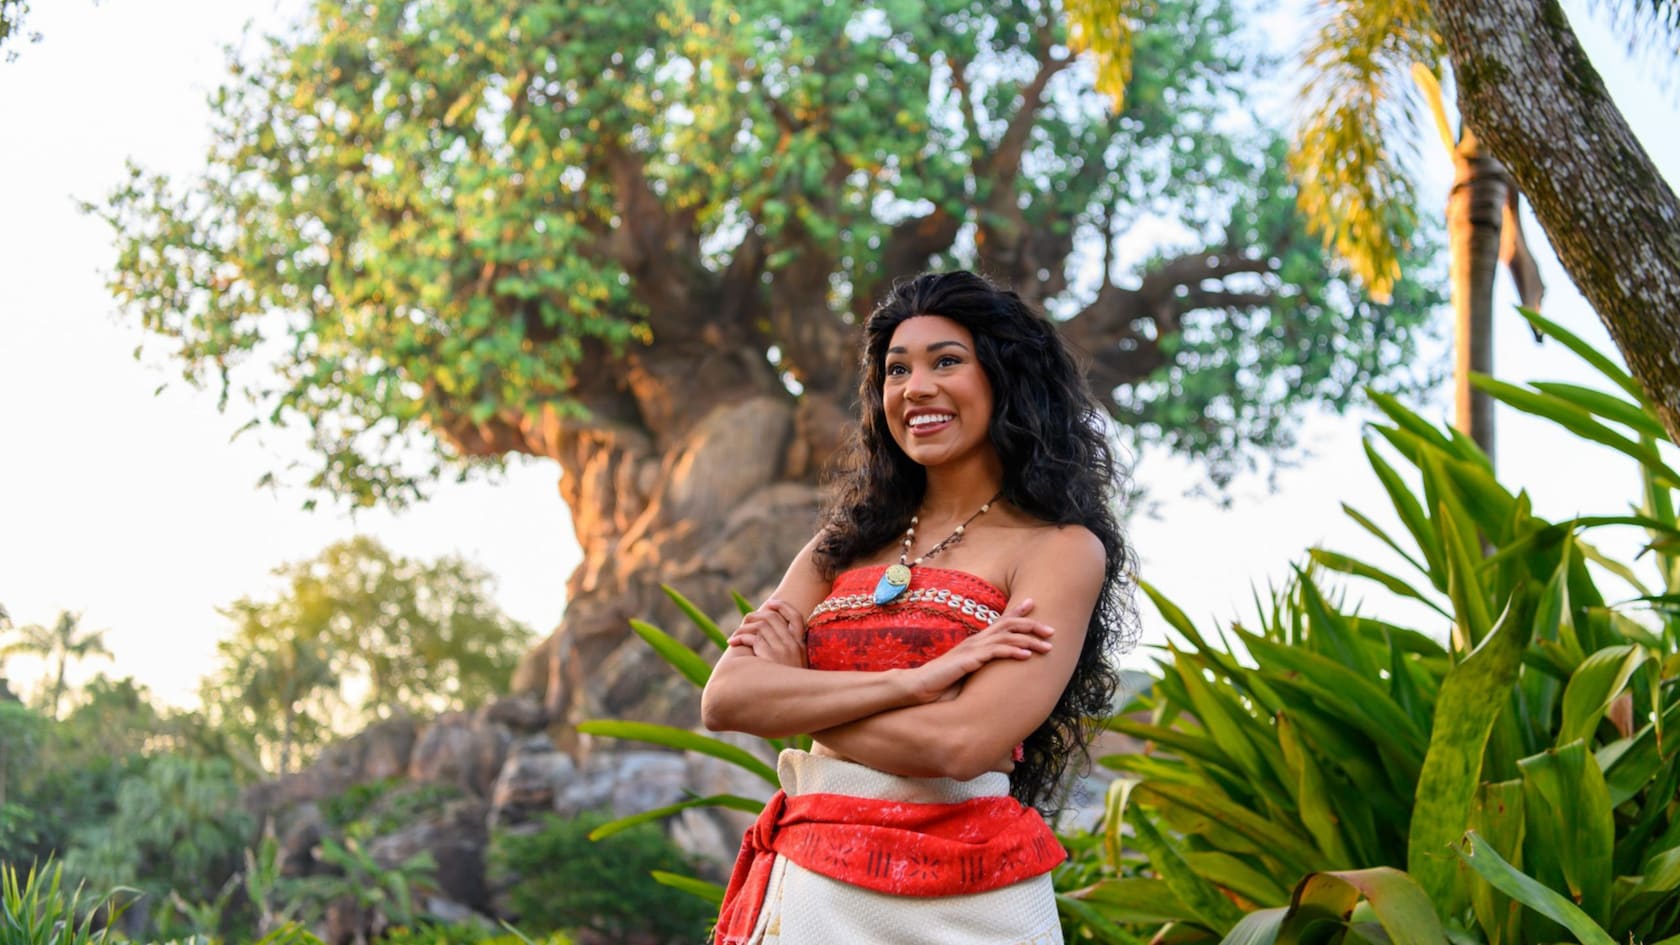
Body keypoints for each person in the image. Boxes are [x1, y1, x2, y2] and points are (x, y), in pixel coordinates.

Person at [700, 269, 1135, 945]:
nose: (916, 387)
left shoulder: (1058, 549)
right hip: (815, 888)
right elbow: (726, 697)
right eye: (897, 369)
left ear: (1006, 376)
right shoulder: (840, 547)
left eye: (947, 361)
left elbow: (962, 744)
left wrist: (798, 697)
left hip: (973, 899)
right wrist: (917, 683)